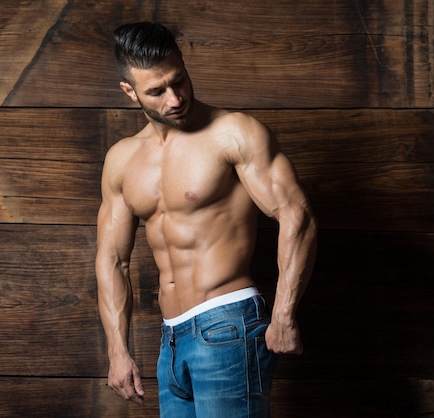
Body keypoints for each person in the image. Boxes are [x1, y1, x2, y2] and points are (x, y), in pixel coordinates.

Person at [95, 21, 317, 417]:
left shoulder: (232, 133)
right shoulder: (122, 160)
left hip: (229, 326)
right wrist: (117, 350)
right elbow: (113, 260)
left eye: (178, 80)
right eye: (156, 91)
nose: (175, 97)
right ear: (130, 92)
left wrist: (283, 315)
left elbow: (296, 216)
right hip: (171, 340)